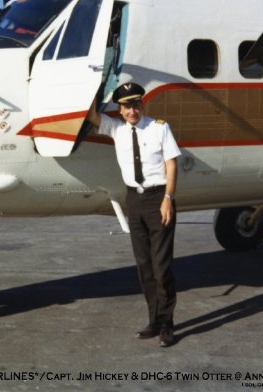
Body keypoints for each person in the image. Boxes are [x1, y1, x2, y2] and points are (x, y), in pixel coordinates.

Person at [88, 82, 181, 347]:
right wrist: (94, 82)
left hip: (158, 199)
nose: (132, 110)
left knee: (161, 267)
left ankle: (167, 324)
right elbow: (91, 115)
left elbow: (171, 164)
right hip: (135, 200)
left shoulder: (160, 127)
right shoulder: (115, 128)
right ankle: (153, 320)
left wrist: (168, 199)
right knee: (144, 267)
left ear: (143, 104)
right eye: (127, 106)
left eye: (136, 104)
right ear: (119, 109)